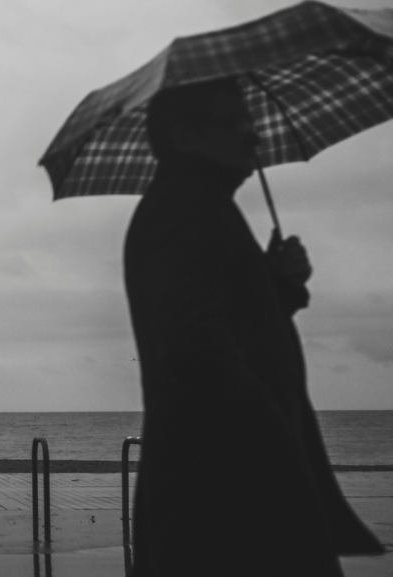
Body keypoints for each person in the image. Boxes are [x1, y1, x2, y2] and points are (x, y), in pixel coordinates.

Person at [123, 77, 382, 576]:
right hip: (230, 497)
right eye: (236, 123)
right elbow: (196, 351)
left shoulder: (201, 207)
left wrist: (277, 285)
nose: (254, 137)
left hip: (227, 491)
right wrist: (274, 439)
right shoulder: (186, 210)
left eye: (252, 123)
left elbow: (231, 329)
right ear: (186, 137)